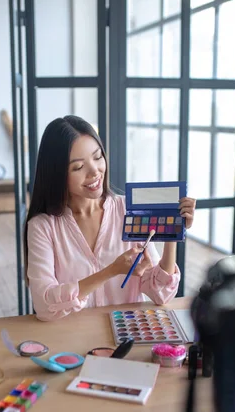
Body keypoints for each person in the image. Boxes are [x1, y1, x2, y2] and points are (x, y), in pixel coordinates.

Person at [24, 115, 196, 322]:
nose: (94, 171)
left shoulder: (126, 209)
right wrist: (111, 271)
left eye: (97, 157)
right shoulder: (43, 227)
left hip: (126, 333)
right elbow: (44, 306)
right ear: (57, 174)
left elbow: (161, 293)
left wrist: (172, 232)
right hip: (71, 339)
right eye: (78, 167)